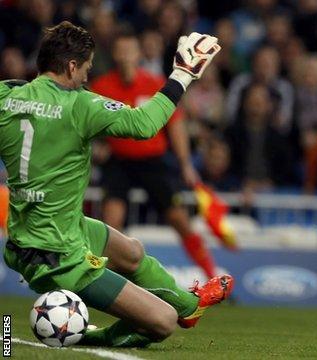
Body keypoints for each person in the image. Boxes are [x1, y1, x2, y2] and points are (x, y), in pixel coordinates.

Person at [0, 21, 233, 348]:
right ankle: (86, 337)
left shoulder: (6, 97)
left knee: (132, 252)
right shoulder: (79, 105)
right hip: (59, 256)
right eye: (86, 68)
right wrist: (183, 74)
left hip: (44, 232)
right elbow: (144, 124)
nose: (87, 77)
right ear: (70, 66)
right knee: (162, 323)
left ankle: (189, 305)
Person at [91, 30, 219, 282]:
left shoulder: (155, 83)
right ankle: (104, 281)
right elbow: (89, 124)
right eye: (122, 49)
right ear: (115, 54)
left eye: (131, 49)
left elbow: (176, 125)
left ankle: (212, 276)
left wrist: (185, 164)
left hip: (153, 161)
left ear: (139, 54)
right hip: (119, 162)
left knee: (180, 220)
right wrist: (98, 145)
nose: (126, 55)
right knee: (111, 221)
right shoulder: (101, 86)